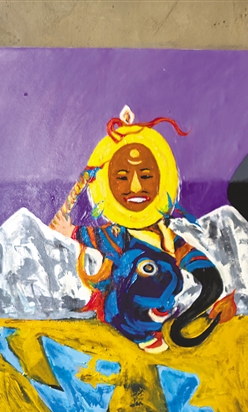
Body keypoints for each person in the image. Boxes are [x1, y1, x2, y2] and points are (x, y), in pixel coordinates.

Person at [52, 109, 232, 353]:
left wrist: (208, 279)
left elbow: (191, 258)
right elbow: (95, 237)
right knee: (142, 267)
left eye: (146, 176)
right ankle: (137, 331)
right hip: (126, 312)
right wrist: (70, 230)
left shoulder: (166, 236)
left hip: (163, 308)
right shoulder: (118, 236)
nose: (136, 187)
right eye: (122, 178)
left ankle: (153, 324)